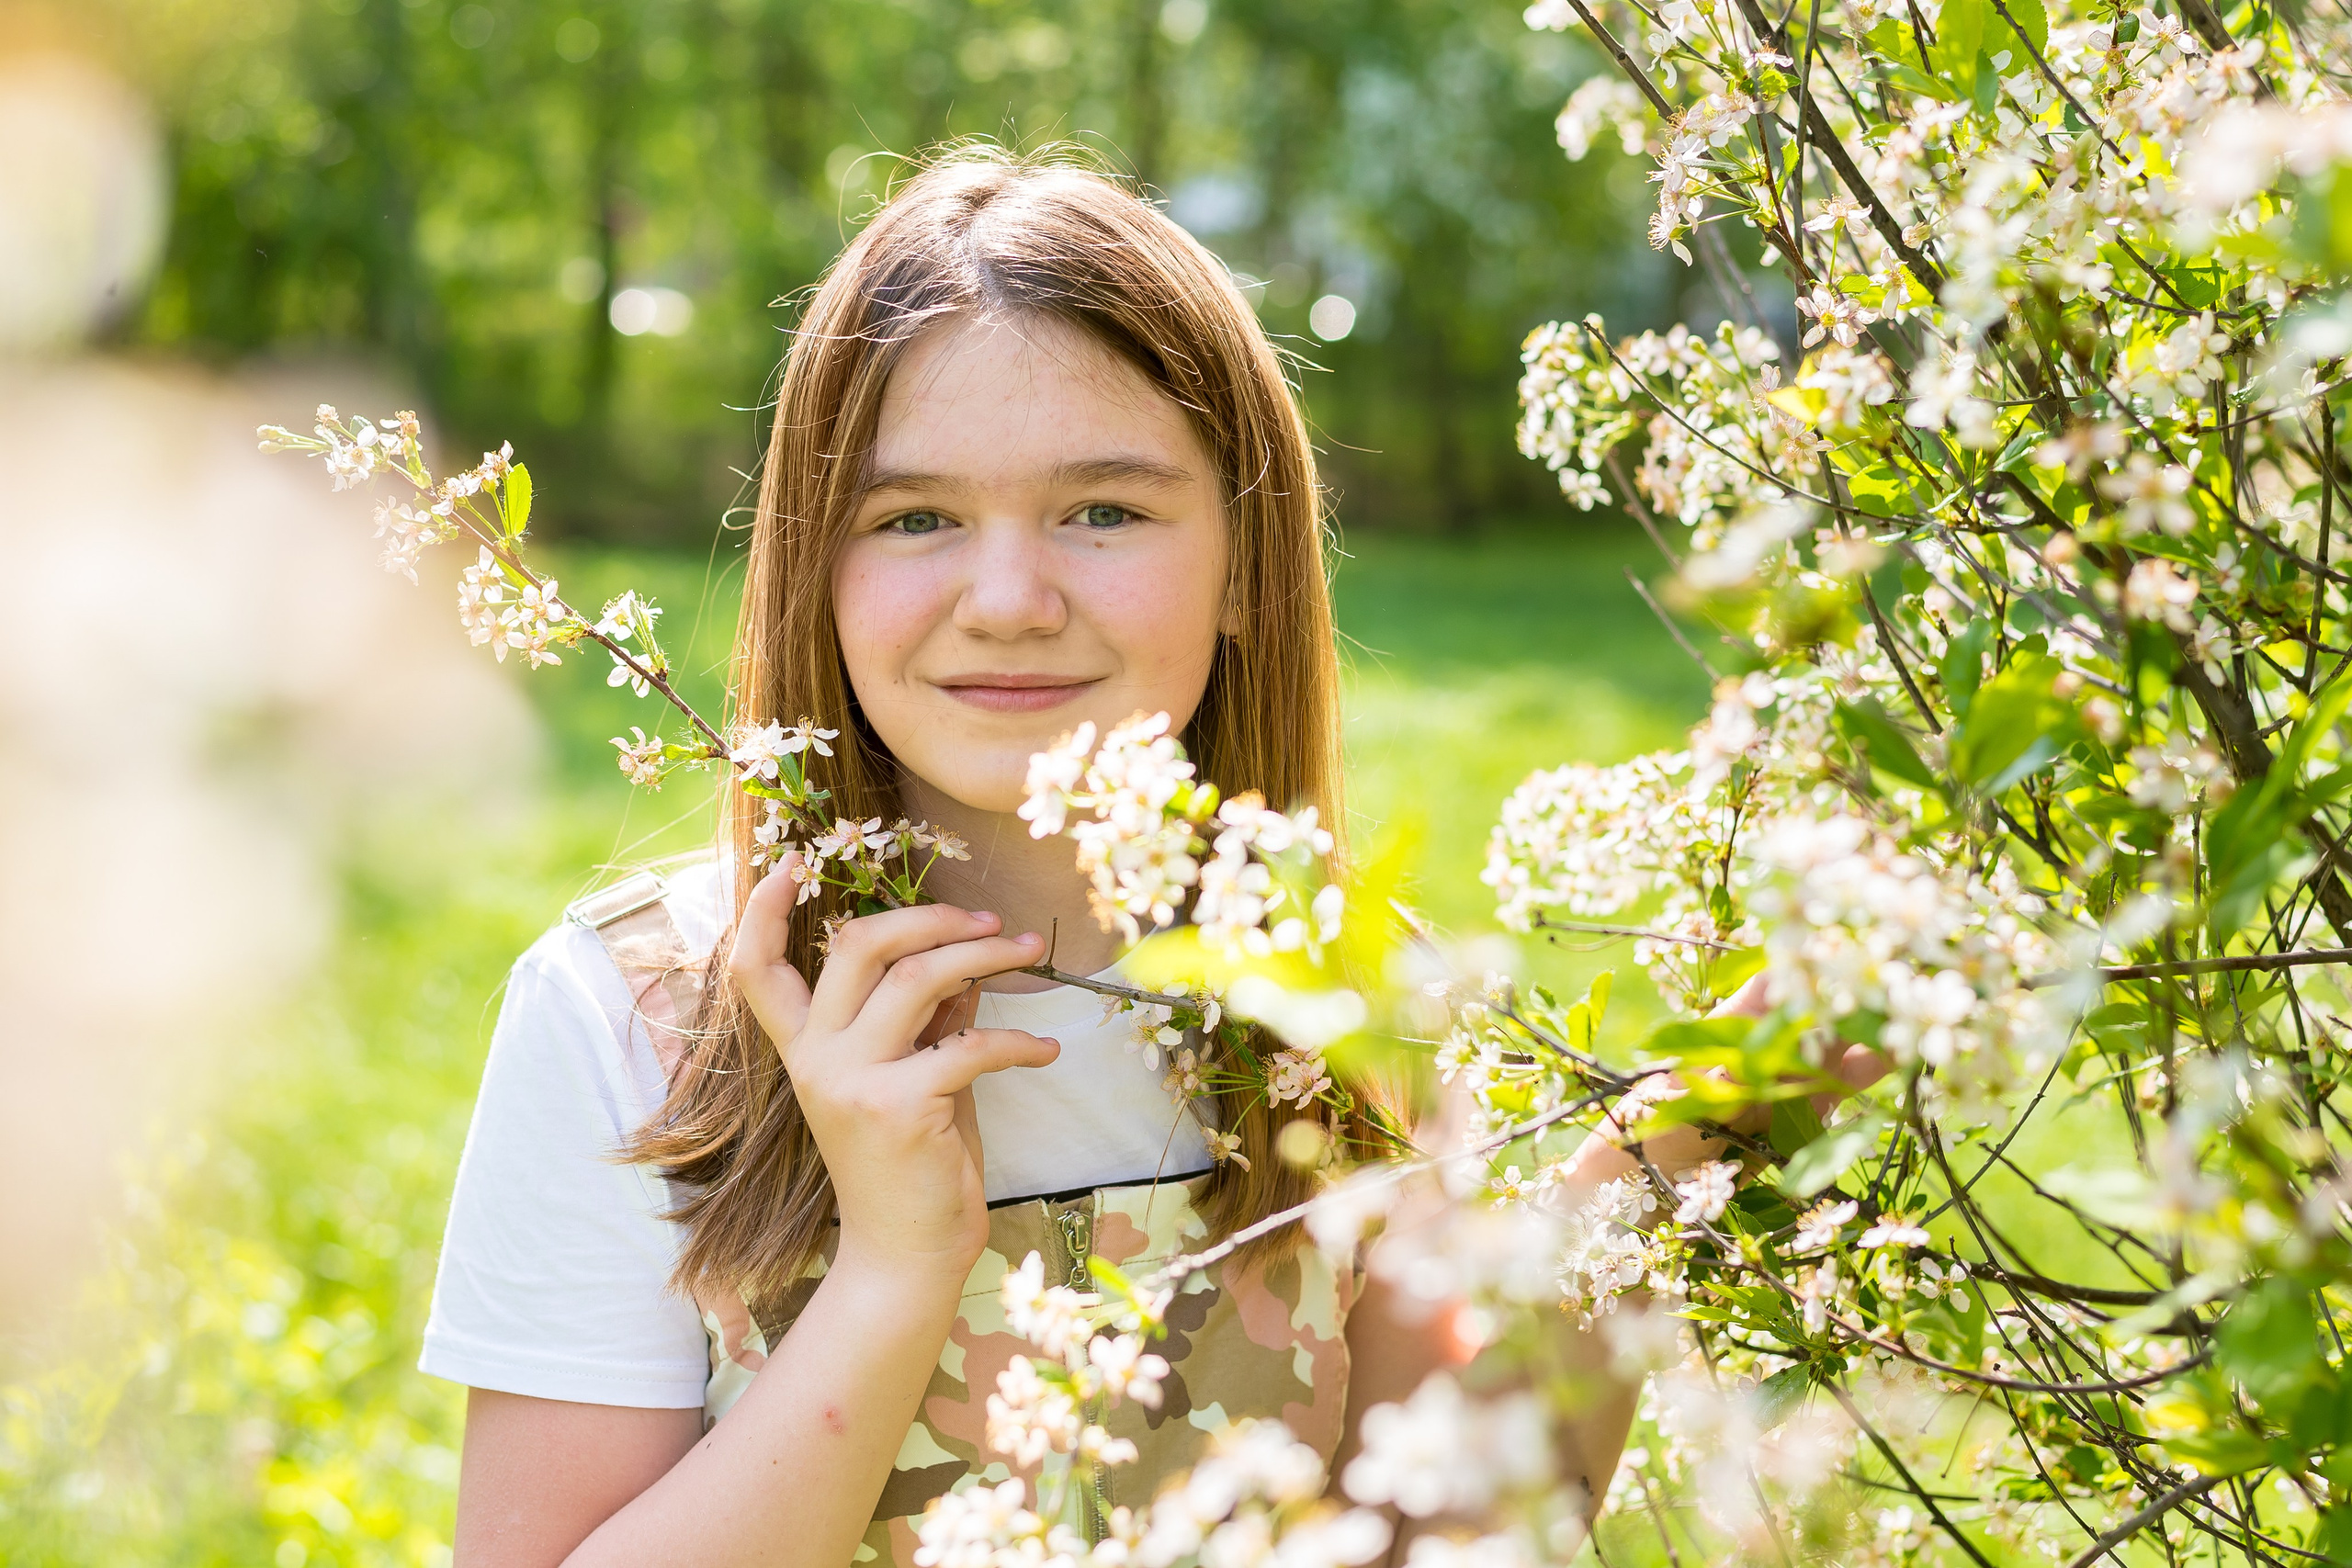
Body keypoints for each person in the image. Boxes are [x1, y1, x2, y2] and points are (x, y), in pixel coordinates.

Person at [423, 147, 1832, 1568]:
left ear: (1245, 565)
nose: (1011, 600)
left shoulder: (1345, 1000)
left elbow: (1434, 1537)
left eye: (1105, 511)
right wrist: (899, 1269)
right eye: (915, 518)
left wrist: (1670, 1160)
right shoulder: (645, 1024)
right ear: (813, 569)